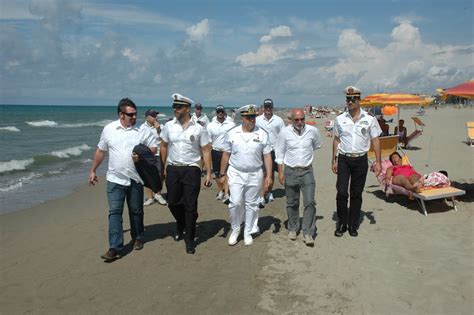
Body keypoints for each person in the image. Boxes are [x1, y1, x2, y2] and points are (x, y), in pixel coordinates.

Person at [88, 98, 157, 262]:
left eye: (135, 114)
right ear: (121, 114)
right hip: (114, 179)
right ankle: (114, 247)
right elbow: (101, 151)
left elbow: (153, 148)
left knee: (136, 211)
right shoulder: (109, 129)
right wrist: (93, 170)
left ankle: (138, 236)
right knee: (114, 213)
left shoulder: (141, 131)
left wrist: (141, 155)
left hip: (135, 179)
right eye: (130, 114)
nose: (134, 117)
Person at [160, 93, 212, 254]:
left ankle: (190, 239)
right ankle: (181, 223)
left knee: (190, 205)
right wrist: (163, 167)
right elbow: (163, 145)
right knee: (173, 202)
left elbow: (206, 150)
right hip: (174, 168)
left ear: (187, 108)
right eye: (174, 106)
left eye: (179, 107)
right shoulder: (169, 126)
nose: (175, 109)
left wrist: (209, 172)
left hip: (192, 169)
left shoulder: (199, 128)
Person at [219, 104, 273, 246]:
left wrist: (269, 176)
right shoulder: (232, 133)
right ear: (242, 118)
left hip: (255, 173)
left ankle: (247, 231)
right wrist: (222, 173)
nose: (252, 120)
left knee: (252, 204)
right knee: (235, 202)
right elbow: (226, 154)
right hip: (236, 172)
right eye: (249, 117)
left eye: (254, 117)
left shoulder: (262, 133)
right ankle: (236, 228)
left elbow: (267, 156)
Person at [332, 86, 382, 238]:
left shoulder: (369, 119)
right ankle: (341, 222)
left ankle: (352, 224)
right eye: (348, 99)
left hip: (361, 159)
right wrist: (333, 159)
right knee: (341, 192)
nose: (350, 102)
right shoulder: (340, 119)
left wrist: (378, 162)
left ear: (359, 100)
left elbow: (375, 140)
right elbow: (336, 140)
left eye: (353, 99)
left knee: (356, 193)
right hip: (344, 159)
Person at [275, 108, 322, 246]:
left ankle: (308, 232)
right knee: (292, 202)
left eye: (302, 119)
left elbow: (316, 145)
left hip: (307, 171)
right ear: (291, 120)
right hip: (290, 171)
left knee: (310, 202)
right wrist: (281, 172)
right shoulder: (284, 133)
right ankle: (293, 227)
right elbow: (279, 153)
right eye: (297, 119)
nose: (300, 122)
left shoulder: (312, 131)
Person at [255, 98, 285, 207]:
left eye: (270, 107)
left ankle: (269, 192)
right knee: (261, 173)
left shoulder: (279, 120)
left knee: (271, 173)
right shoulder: (257, 119)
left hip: (274, 150)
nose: (268, 109)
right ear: (263, 107)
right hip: (261, 150)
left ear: (272, 107)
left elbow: (283, 135)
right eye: (266, 107)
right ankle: (261, 196)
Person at [207, 105, 236, 204]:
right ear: (216, 112)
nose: (220, 113)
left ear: (224, 112)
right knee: (217, 174)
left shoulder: (231, 124)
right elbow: (209, 141)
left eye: (222, 111)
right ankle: (220, 191)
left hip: (227, 152)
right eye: (218, 111)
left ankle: (227, 193)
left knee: (227, 173)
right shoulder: (210, 125)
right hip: (215, 150)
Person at [140, 109, 167, 206]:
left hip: (159, 154)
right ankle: (150, 197)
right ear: (147, 117)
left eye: (156, 115)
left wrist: (158, 129)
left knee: (160, 175)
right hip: (147, 155)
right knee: (147, 176)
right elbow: (140, 142)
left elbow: (165, 140)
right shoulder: (142, 128)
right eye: (153, 116)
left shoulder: (161, 126)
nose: (156, 117)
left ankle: (158, 195)